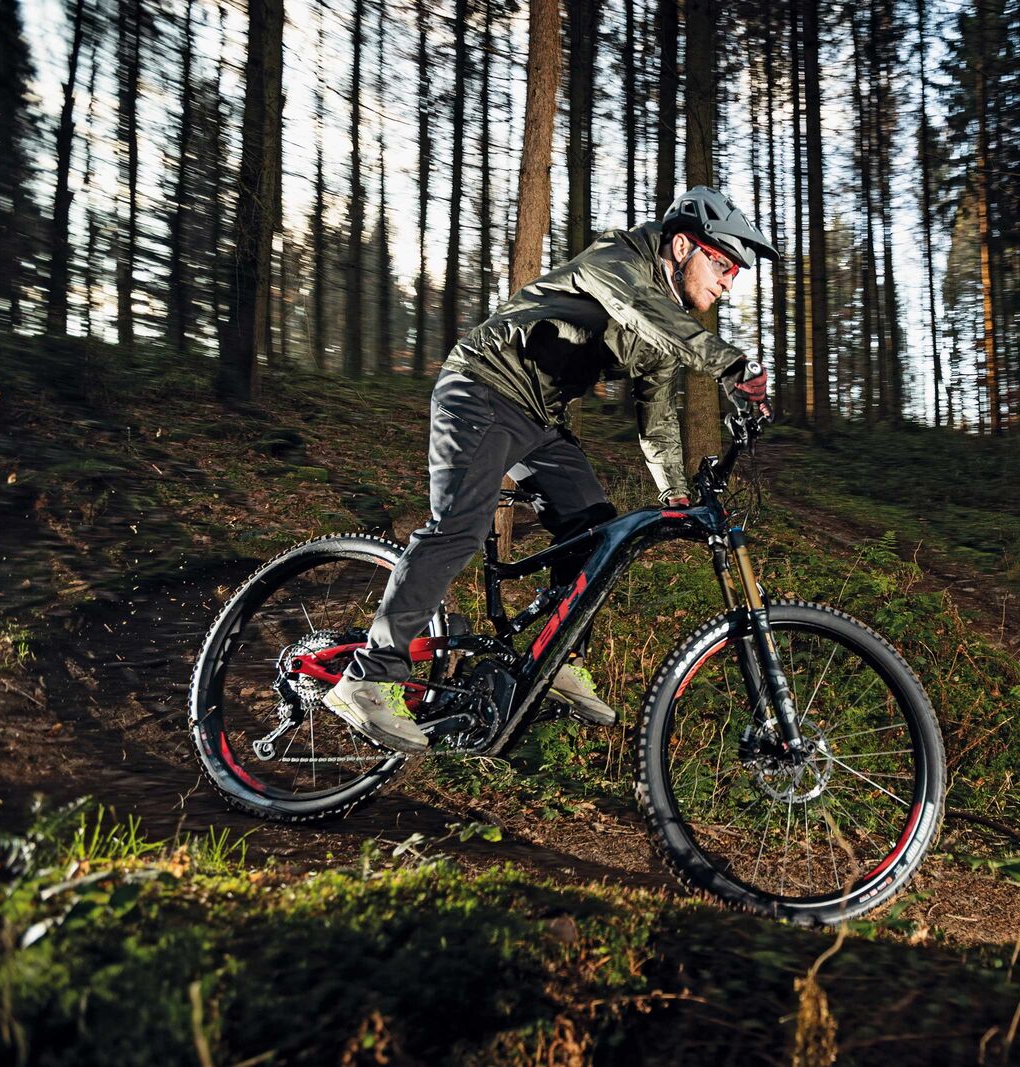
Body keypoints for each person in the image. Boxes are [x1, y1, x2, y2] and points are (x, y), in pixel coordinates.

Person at [324, 186, 777, 753]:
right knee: (459, 528)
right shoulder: (618, 261)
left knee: (593, 533)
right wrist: (732, 365)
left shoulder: (667, 327)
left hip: (538, 419)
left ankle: (557, 660)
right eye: (723, 263)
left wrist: (677, 496)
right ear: (683, 245)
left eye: (737, 271)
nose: (730, 281)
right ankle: (370, 676)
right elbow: (637, 308)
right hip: (483, 390)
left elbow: (656, 419)